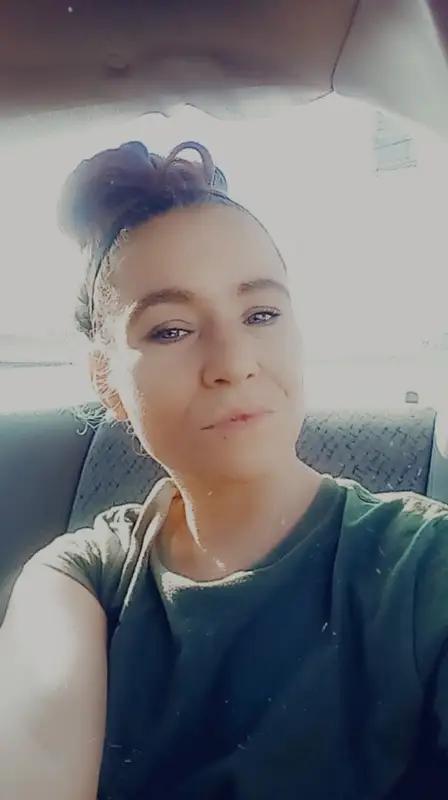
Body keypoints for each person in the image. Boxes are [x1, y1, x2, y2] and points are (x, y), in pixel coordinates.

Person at [1, 140, 448, 800]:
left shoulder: (425, 564)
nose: (234, 362)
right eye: (171, 330)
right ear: (107, 382)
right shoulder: (81, 579)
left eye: (261, 314)